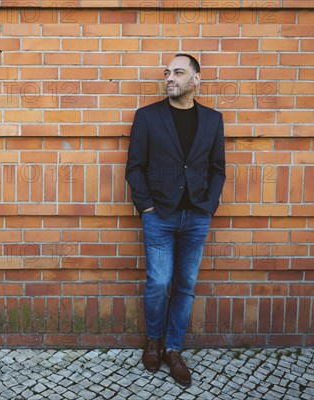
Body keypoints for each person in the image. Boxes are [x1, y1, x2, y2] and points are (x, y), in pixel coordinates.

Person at [125, 54, 226, 387]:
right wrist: (147, 208)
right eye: (167, 73)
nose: (170, 77)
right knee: (158, 282)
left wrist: (207, 207)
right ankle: (153, 341)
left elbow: (217, 169)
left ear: (196, 80)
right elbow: (134, 167)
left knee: (185, 286)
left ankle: (173, 349)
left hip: (196, 216)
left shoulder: (212, 120)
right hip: (160, 216)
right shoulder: (148, 117)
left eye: (178, 72)